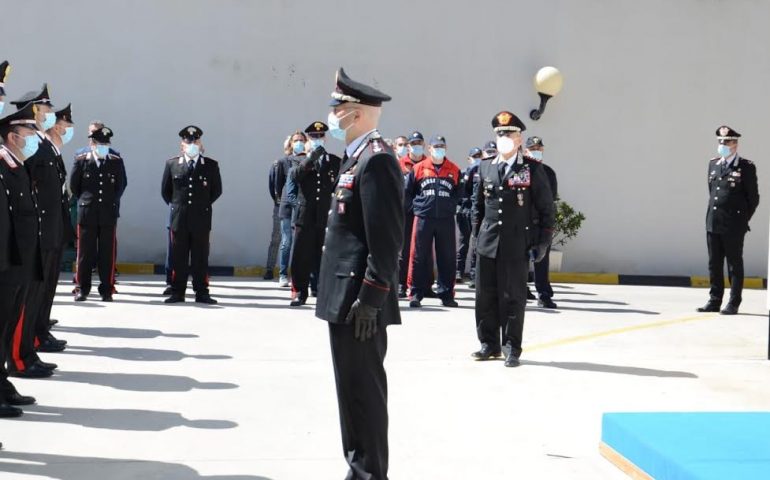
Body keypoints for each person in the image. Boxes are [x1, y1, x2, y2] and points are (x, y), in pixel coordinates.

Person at [315, 67, 403, 480]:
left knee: (364, 395)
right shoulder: (356, 156)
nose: (334, 116)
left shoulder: (378, 159)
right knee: (350, 394)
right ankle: (359, 469)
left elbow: (385, 241)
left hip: (359, 306)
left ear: (359, 114)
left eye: (340, 109)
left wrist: (371, 300)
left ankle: (370, 474)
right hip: (343, 299)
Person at [471, 111, 555, 367]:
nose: (504, 137)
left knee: (513, 297)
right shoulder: (485, 166)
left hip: (516, 243)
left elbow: (546, 208)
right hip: (488, 242)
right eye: (500, 134)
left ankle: (511, 348)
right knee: (485, 296)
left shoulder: (532, 169)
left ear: (520, 139)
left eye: (509, 133)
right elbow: (477, 204)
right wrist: (477, 234)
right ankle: (488, 344)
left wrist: (542, 243)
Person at [8, 85, 67, 376]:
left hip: (43, 231)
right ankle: (20, 356)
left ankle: (28, 348)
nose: (50, 117)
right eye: (45, 111)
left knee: (33, 297)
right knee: (23, 300)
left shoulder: (43, 145)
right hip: (31, 234)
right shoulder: (28, 149)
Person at [0, 103, 44, 415]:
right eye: (30, 131)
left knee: (6, 327)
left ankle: (2, 385)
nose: (35, 136)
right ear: (13, 136)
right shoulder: (4, 164)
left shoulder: (16, 163)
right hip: (7, 264)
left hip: (17, 264)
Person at [697, 125, 760, 315]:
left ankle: (733, 302)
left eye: (726, 141)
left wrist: (741, 220)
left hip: (734, 225)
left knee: (734, 264)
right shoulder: (713, 164)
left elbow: (753, 198)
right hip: (713, 222)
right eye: (720, 142)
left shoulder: (746, 167)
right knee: (714, 264)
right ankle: (715, 300)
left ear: (735, 144)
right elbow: (713, 193)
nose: (722, 145)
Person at [162, 126, 222, 304]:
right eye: (188, 141)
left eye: (195, 141)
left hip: (201, 218)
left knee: (200, 257)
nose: (192, 144)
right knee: (178, 257)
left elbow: (216, 191)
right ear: (182, 145)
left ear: (200, 143)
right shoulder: (172, 164)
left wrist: (200, 206)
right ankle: (177, 291)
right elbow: (166, 192)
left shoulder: (210, 165)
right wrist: (179, 208)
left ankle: (201, 292)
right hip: (179, 219)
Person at [288, 122, 341, 306]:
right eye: (313, 137)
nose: (317, 140)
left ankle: (321, 290)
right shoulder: (299, 161)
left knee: (324, 256)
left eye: (320, 136)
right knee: (301, 256)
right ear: (308, 139)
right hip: (305, 216)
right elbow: (294, 176)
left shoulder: (333, 161)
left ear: (325, 138)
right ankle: (299, 292)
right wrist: (310, 159)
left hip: (325, 216)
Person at [70, 126, 126, 302]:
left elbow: (121, 185)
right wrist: (86, 201)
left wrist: (111, 202)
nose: (104, 146)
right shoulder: (81, 159)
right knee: (85, 253)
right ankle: (82, 288)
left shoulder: (115, 160)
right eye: (100, 143)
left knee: (107, 253)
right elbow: (74, 186)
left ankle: (106, 288)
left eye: (106, 143)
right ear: (92, 143)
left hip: (108, 213)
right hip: (87, 212)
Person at [405, 135, 461, 308]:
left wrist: (451, 206)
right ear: (429, 149)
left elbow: (459, 193)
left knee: (447, 257)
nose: (439, 149)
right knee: (419, 256)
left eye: (442, 146)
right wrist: (415, 208)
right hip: (423, 218)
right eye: (436, 146)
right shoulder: (419, 168)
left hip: (445, 219)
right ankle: (415, 293)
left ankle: (446, 294)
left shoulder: (454, 169)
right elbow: (408, 192)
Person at [525, 136, 558, 309]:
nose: (536, 150)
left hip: (540, 223)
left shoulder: (548, 172)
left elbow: (550, 201)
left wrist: (548, 226)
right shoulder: (520, 170)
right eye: (532, 148)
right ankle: (521, 291)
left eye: (539, 148)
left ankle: (544, 295)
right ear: (525, 151)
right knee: (520, 260)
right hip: (522, 222)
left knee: (542, 259)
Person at [274, 131, 307, 287]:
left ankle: (299, 276)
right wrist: (282, 201)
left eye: (301, 140)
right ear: (291, 143)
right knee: (287, 241)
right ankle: (282, 274)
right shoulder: (283, 162)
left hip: (303, 204)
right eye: (296, 140)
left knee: (302, 243)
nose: (299, 143)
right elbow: (277, 185)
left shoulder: (309, 160)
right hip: (287, 205)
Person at [396, 131, 426, 298]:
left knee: (424, 250)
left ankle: (423, 285)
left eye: (419, 143)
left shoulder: (428, 164)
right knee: (405, 249)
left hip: (423, 212)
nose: (416, 146)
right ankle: (401, 284)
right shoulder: (400, 164)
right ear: (408, 146)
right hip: (405, 212)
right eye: (413, 143)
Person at [264, 137, 291, 281]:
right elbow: (273, 185)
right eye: (295, 141)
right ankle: (269, 268)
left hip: (299, 206)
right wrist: (279, 201)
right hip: (281, 206)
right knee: (277, 238)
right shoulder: (280, 163)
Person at [456, 147, 482, 284]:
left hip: (477, 212)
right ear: (469, 159)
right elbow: (460, 193)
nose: (477, 158)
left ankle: (473, 273)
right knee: (463, 242)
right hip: (465, 211)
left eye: (479, 155)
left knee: (477, 243)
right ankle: (458, 271)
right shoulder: (463, 173)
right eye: (475, 156)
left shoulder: (484, 173)